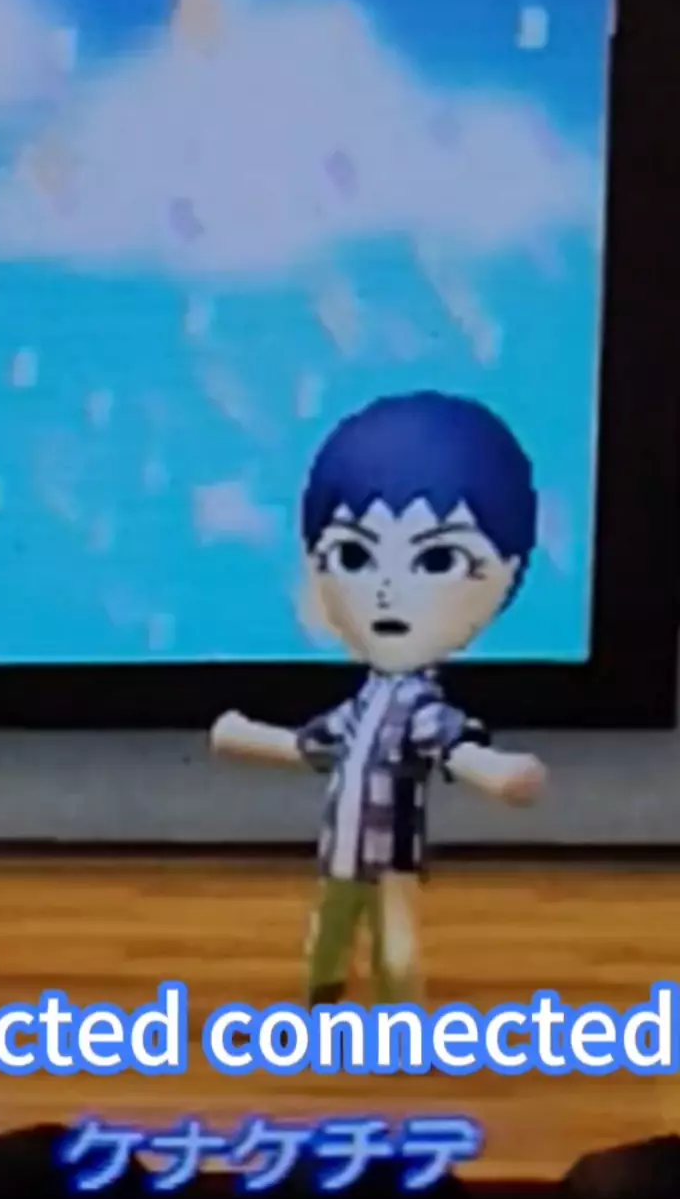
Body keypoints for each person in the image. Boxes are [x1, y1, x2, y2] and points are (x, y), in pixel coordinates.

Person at [209, 391, 547, 1007]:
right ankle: (324, 1010)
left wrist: (497, 771)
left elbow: (453, 747)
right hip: (339, 850)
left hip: (391, 855)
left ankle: (401, 1026)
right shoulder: (363, 703)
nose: (387, 592)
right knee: (327, 939)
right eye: (354, 555)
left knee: (397, 947)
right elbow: (313, 747)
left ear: (510, 573)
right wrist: (245, 737)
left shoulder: (419, 707)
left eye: (438, 558)